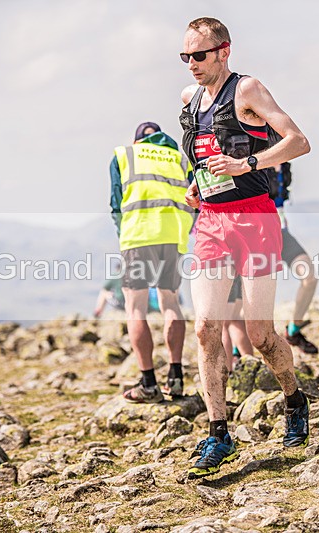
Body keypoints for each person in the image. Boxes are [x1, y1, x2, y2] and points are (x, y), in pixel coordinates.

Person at [178, 17, 311, 478]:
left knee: (260, 336)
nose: (191, 64)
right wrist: (195, 185)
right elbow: (200, 156)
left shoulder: (247, 89)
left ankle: (294, 399)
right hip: (210, 221)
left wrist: (248, 163)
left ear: (224, 51)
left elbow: (299, 142)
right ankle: (219, 434)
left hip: (255, 218)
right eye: (185, 56)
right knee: (205, 328)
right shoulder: (189, 100)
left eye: (199, 55)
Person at [109, 121, 194, 403]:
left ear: (138, 142)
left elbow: (116, 204)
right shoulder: (180, 159)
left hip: (139, 237)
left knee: (136, 308)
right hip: (174, 237)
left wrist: (125, 236)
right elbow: (195, 199)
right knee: (171, 302)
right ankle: (176, 378)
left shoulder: (125, 155)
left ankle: (148, 383)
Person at [268, 163, 319, 354]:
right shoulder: (255, 160)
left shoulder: (283, 166)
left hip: (282, 234)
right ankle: (237, 349)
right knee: (252, 294)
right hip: (259, 235)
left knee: (310, 278)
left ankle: (293, 331)